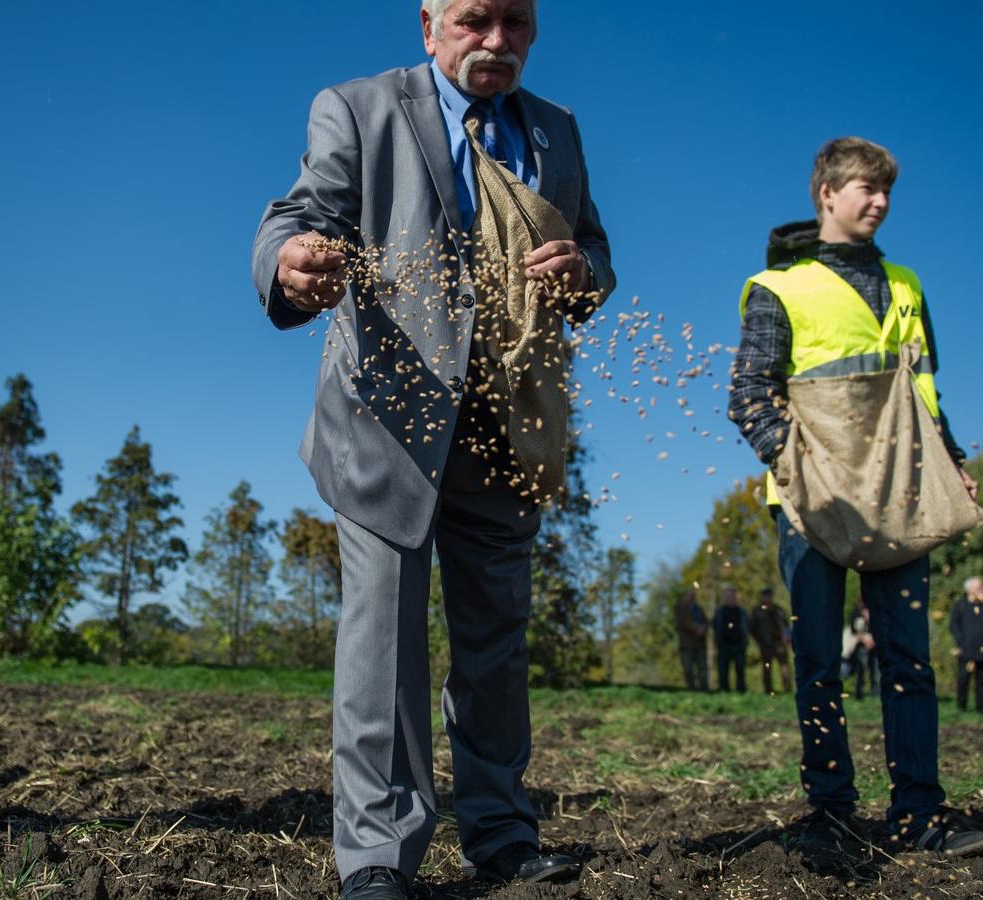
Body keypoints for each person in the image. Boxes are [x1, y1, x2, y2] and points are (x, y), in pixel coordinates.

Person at [250, 1, 615, 894]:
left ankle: (500, 832)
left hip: (507, 417)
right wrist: (291, 261)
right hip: (388, 419)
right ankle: (377, 859)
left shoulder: (556, 132)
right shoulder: (360, 107)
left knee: (495, 639)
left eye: (516, 23)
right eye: (473, 20)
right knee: (383, 644)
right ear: (428, 25)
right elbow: (299, 215)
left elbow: (596, 252)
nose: (496, 41)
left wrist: (583, 275)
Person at [727, 137, 983, 856]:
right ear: (827, 193)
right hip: (813, 506)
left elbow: (924, 389)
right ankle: (832, 811)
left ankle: (919, 814)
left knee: (909, 658)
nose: (878, 202)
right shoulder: (777, 288)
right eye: (864, 189)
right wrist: (795, 471)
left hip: (902, 495)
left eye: (885, 191)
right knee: (820, 658)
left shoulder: (907, 284)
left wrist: (953, 459)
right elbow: (749, 394)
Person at [948, 577, 983, 714]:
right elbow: (953, 625)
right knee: (963, 679)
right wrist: (961, 642)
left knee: (982, 680)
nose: (982, 589)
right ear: (969, 589)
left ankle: (981, 707)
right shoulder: (960, 605)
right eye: (979, 587)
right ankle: (961, 706)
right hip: (966, 650)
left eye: (982, 587)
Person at [750, 588, 793, 693]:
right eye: (765, 596)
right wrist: (759, 640)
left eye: (769, 596)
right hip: (765, 644)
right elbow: (752, 628)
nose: (767, 598)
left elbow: (786, 626)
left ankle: (787, 689)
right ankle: (768, 690)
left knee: (784, 668)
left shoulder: (779, 610)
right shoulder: (757, 611)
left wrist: (787, 639)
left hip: (779, 643)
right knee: (767, 668)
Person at [712, 588, 751, 693]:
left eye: (731, 596)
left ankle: (741, 689)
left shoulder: (742, 612)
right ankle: (724, 689)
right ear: (724, 598)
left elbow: (747, 626)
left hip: (739, 644)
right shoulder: (719, 612)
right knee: (723, 669)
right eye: (727, 596)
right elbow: (714, 626)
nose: (729, 599)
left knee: (740, 669)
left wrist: (745, 640)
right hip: (724, 644)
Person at [673, 589, 711, 692]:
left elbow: (706, 622)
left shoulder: (699, 609)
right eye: (689, 596)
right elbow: (682, 623)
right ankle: (691, 689)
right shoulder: (679, 608)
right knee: (688, 668)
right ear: (685, 597)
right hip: (687, 644)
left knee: (702, 668)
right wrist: (696, 628)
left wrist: (703, 628)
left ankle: (704, 689)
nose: (692, 598)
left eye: (693, 596)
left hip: (700, 643)